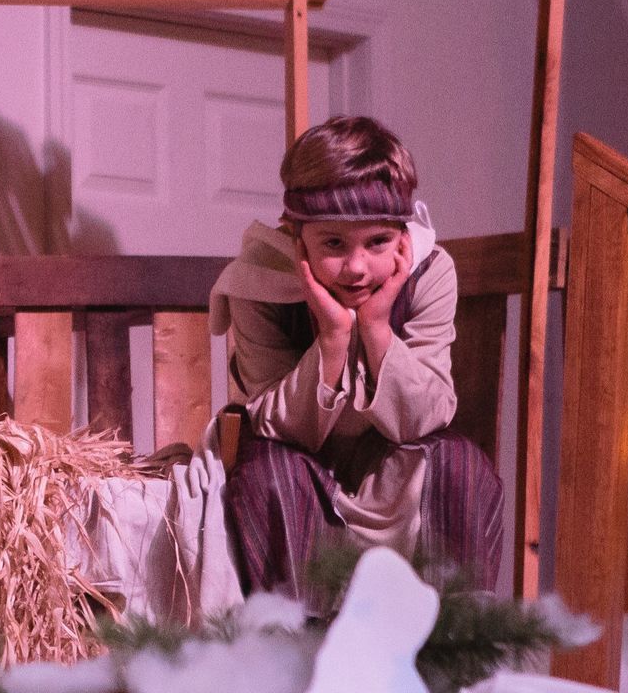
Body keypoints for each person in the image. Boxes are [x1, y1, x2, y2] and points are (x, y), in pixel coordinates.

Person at [210, 116, 503, 610]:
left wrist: (376, 328)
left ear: (403, 236)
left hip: (394, 472)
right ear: (295, 236)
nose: (357, 267)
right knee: (268, 477)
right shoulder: (260, 282)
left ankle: (452, 648)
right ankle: (299, 650)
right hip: (304, 469)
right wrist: (332, 337)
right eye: (333, 244)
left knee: (460, 464)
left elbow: (425, 415)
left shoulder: (429, 274)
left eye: (377, 242)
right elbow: (273, 421)